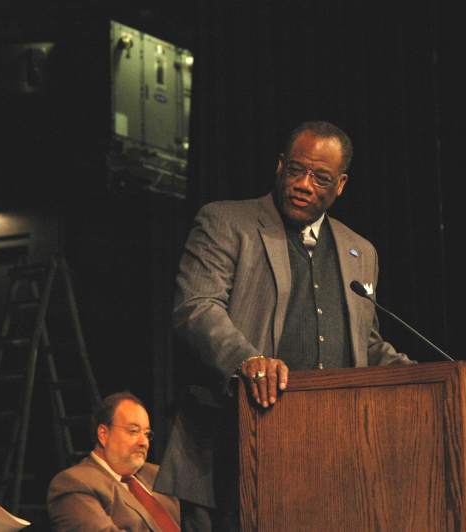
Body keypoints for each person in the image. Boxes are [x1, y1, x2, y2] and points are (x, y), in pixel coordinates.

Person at [154, 121, 415, 530]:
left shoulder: (360, 251)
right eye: (296, 170)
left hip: (334, 458)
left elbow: (365, 342)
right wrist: (248, 360)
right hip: (238, 450)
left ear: (341, 185)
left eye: (321, 177)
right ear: (279, 167)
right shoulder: (227, 222)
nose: (305, 184)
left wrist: (422, 377)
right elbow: (197, 306)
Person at [48, 391, 180, 532]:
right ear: (103, 434)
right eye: (134, 431)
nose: (144, 442)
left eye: (147, 434)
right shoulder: (73, 483)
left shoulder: (158, 475)